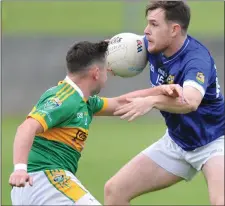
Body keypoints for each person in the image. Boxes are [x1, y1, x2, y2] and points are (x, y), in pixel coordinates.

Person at [9, 40, 181, 205]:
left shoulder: (84, 101)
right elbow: (27, 127)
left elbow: (120, 103)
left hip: (35, 185)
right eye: (106, 69)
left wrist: (158, 91)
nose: (109, 74)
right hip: (46, 180)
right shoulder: (65, 99)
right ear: (96, 73)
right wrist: (20, 169)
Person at [104, 1, 224, 205]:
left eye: (153, 24)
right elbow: (119, 48)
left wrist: (151, 101)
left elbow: (191, 102)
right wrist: (106, 56)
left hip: (214, 141)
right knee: (114, 191)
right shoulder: (152, 45)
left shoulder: (196, 59)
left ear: (174, 29)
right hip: (177, 142)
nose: (146, 31)